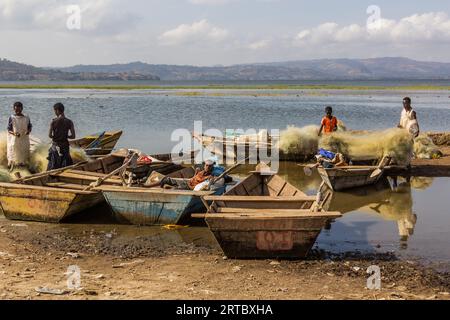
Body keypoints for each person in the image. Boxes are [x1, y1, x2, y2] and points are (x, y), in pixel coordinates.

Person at [47, 103, 76, 170]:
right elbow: (73, 136)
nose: (54, 112)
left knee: (53, 166)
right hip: (65, 146)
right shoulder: (69, 122)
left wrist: (55, 136)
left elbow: (50, 135)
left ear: (57, 110)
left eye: (54, 111)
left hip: (55, 146)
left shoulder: (53, 121)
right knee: (66, 166)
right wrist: (66, 136)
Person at [6, 102, 32, 168]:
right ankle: (11, 166)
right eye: (16, 110)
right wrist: (14, 133)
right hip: (14, 139)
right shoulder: (12, 118)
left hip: (24, 138)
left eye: (19, 110)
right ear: (14, 109)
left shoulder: (26, 117)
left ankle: (23, 166)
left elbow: (30, 126)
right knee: (13, 153)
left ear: (22, 109)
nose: (17, 111)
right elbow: (9, 129)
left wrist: (28, 131)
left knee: (24, 153)